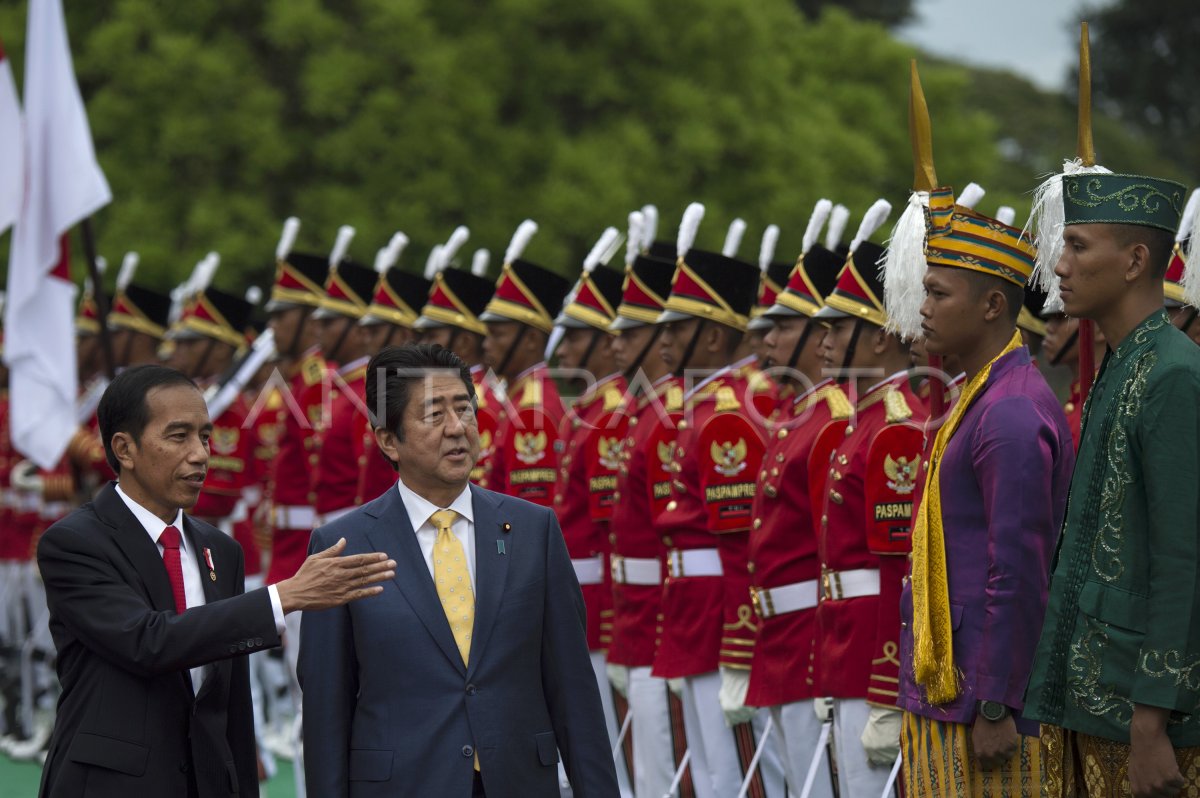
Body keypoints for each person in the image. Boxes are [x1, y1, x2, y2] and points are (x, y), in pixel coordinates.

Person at [35, 364, 395, 797]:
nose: (202, 454)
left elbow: (233, 706)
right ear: (124, 449)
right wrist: (282, 597)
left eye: (204, 436)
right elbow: (148, 642)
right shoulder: (75, 542)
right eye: (178, 436)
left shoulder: (220, 551)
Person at [300, 343, 619, 797]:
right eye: (434, 415)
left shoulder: (533, 530)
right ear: (388, 439)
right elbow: (326, 710)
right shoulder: (344, 547)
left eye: (464, 410)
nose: (457, 429)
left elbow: (573, 691)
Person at [888, 179, 1073, 793]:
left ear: (994, 305)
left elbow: (1017, 569)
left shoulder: (1011, 410)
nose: (923, 307)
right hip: (949, 686)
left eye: (938, 293)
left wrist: (997, 703)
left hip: (981, 703)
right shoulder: (983, 394)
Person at [1024, 172, 1200, 798]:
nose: (1059, 265)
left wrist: (1152, 719)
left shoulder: (1173, 375)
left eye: (1076, 246)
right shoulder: (1127, 361)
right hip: (1096, 696)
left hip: (1143, 710)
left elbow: (1183, 559)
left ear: (1133, 261)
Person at [652, 203, 786, 798]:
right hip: (691, 608)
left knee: (731, 775)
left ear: (710, 334)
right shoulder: (702, 411)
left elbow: (740, 545)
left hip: (715, 615)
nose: (663, 340)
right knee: (705, 770)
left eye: (676, 328)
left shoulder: (725, 419)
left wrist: (738, 635)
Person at [810, 199, 927, 797]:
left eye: (837, 328)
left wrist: (887, 688)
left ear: (882, 338)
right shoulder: (866, 421)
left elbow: (896, 575)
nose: (823, 341)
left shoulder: (894, 429)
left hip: (868, 658)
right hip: (842, 644)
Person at [745, 199, 846, 797]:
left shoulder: (832, 421)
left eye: (784, 326)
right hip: (778, 633)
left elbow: (832, 550)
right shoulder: (799, 416)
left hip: (811, 634)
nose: (769, 339)